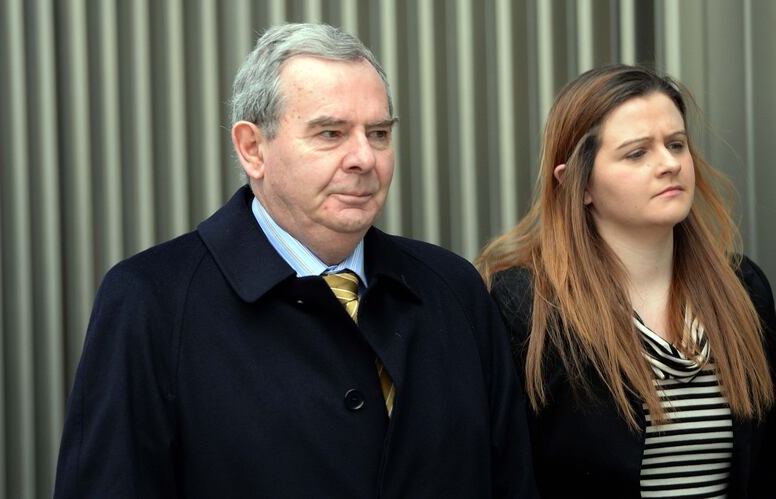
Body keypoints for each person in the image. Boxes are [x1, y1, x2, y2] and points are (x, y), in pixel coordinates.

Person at [53, 23, 536, 498]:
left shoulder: (453, 289)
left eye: (378, 133)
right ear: (252, 149)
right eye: (331, 133)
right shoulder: (151, 302)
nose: (364, 158)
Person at [476, 65, 775, 498]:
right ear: (578, 185)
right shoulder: (527, 306)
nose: (669, 164)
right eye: (637, 153)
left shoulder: (742, 287)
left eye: (676, 144)